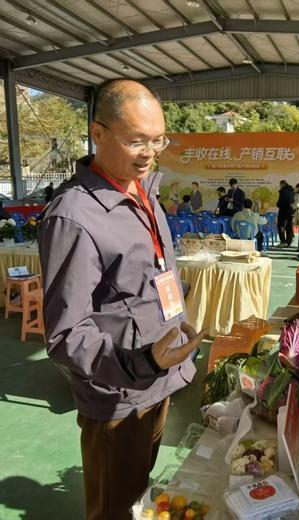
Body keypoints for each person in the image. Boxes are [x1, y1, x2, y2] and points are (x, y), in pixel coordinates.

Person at [39, 79, 207, 520]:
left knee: (142, 498)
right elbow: (66, 334)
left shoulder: (144, 190)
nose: (149, 153)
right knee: (115, 508)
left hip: (159, 379)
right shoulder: (74, 216)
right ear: (98, 133)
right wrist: (143, 361)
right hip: (119, 394)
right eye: (136, 141)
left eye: (158, 140)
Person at [276, 179, 295, 247]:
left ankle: (283, 241)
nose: (280, 186)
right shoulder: (292, 190)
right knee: (289, 226)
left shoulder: (283, 191)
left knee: (280, 226)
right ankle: (289, 241)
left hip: (283, 211)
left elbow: (281, 201)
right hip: (291, 211)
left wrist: (278, 204)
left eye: (280, 185)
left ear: (282, 184)